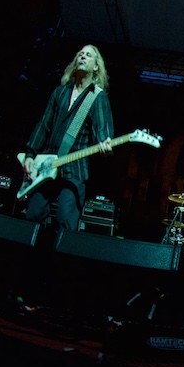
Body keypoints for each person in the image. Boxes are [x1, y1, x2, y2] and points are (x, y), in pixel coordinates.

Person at [21, 44, 114, 237]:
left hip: (75, 168)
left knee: (65, 219)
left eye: (88, 55)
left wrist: (106, 146)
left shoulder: (97, 97)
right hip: (46, 164)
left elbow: (103, 135)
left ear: (96, 67)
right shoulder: (60, 92)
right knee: (33, 213)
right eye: (80, 54)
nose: (83, 57)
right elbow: (43, 126)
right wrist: (30, 154)